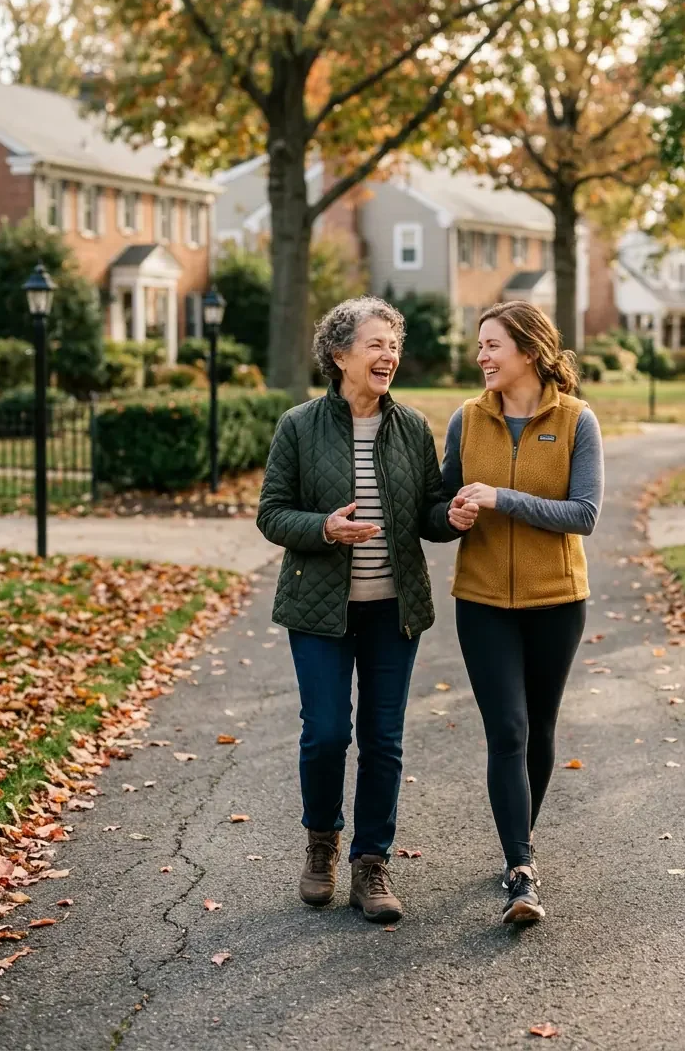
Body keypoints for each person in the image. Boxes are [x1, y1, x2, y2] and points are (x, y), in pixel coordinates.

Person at [257, 296, 476, 924]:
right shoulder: (298, 426)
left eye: (394, 345)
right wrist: (325, 528)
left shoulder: (410, 426)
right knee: (327, 733)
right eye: (377, 343)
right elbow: (271, 514)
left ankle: (370, 861)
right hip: (319, 611)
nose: (390, 355)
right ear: (339, 354)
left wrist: (451, 517)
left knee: (383, 739)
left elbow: (428, 513)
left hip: (393, 612)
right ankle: (321, 843)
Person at [441, 300, 603, 925]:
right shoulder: (466, 420)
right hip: (482, 601)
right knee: (506, 729)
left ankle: (519, 845)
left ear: (529, 352)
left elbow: (584, 514)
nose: (480, 356)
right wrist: (450, 517)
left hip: (556, 601)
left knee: (538, 728)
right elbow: (440, 502)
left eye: (492, 345)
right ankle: (520, 869)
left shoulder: (575, 422)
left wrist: (502, 498)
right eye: (479, 345)